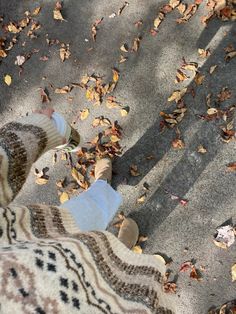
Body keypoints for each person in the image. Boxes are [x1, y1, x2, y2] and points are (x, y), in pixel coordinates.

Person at [0, 109, 174, 314]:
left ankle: (102, 187)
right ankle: (122, 250)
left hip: (37, 243)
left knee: (86, 213)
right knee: (119, 279)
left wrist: (36, 130)